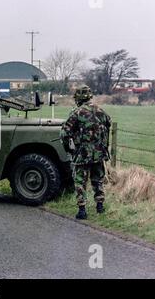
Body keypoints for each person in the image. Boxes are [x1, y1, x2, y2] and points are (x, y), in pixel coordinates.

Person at [60, 85, 112, 220]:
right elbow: (108, 124)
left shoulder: (77, 112)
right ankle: (100, 206)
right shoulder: (101, 111)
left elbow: (65, 133)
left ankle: (82, 210)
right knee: (98, 180)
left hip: (82, 154)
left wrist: (69, 149)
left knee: (80, 181)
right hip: (99, 153)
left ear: (78, 98)